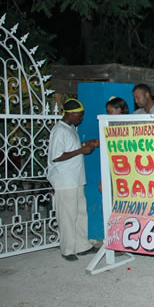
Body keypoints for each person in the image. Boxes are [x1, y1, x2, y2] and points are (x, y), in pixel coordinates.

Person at [47, 99, 100, 261]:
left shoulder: (71, 129)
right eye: (80, 115)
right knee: (67, 216)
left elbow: (71, 148)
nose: (82, 118)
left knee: (80, 213)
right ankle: (68, 249)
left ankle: (82, 245)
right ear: (71, 114)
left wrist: (85, 144)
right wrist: (82, 150)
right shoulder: (59, 131)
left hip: (76, 179)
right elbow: (56, 157)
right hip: (65, 181)